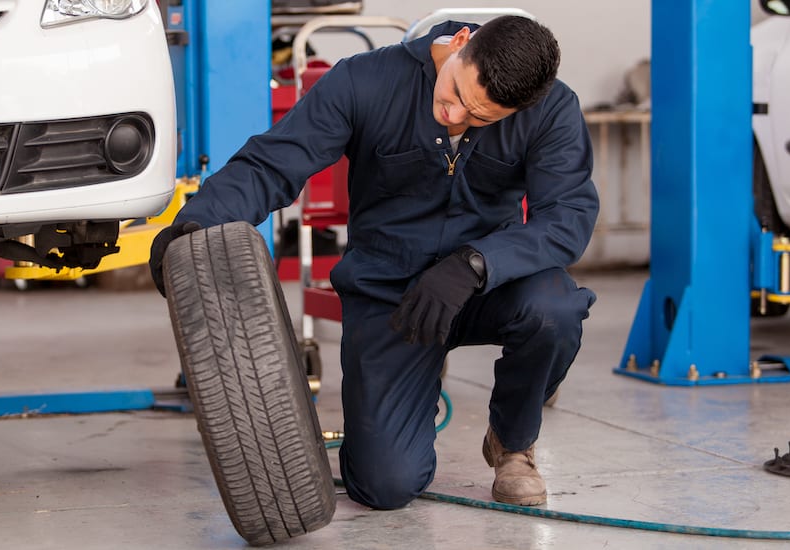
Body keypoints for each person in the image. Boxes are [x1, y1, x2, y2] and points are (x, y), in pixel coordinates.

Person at [149, 15, 598, 509]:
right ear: (462, 43)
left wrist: (476, 264)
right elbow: (274, 163)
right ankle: (413, 385)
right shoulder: (364, 80)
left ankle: (511, 443)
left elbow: (567, 218)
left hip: (485, 285)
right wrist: (196, 224)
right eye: (454, 96)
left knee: (554, 309)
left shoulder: (553, 108)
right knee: (384, 486)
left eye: (480, 118)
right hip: (392, 292)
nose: (455, 117)